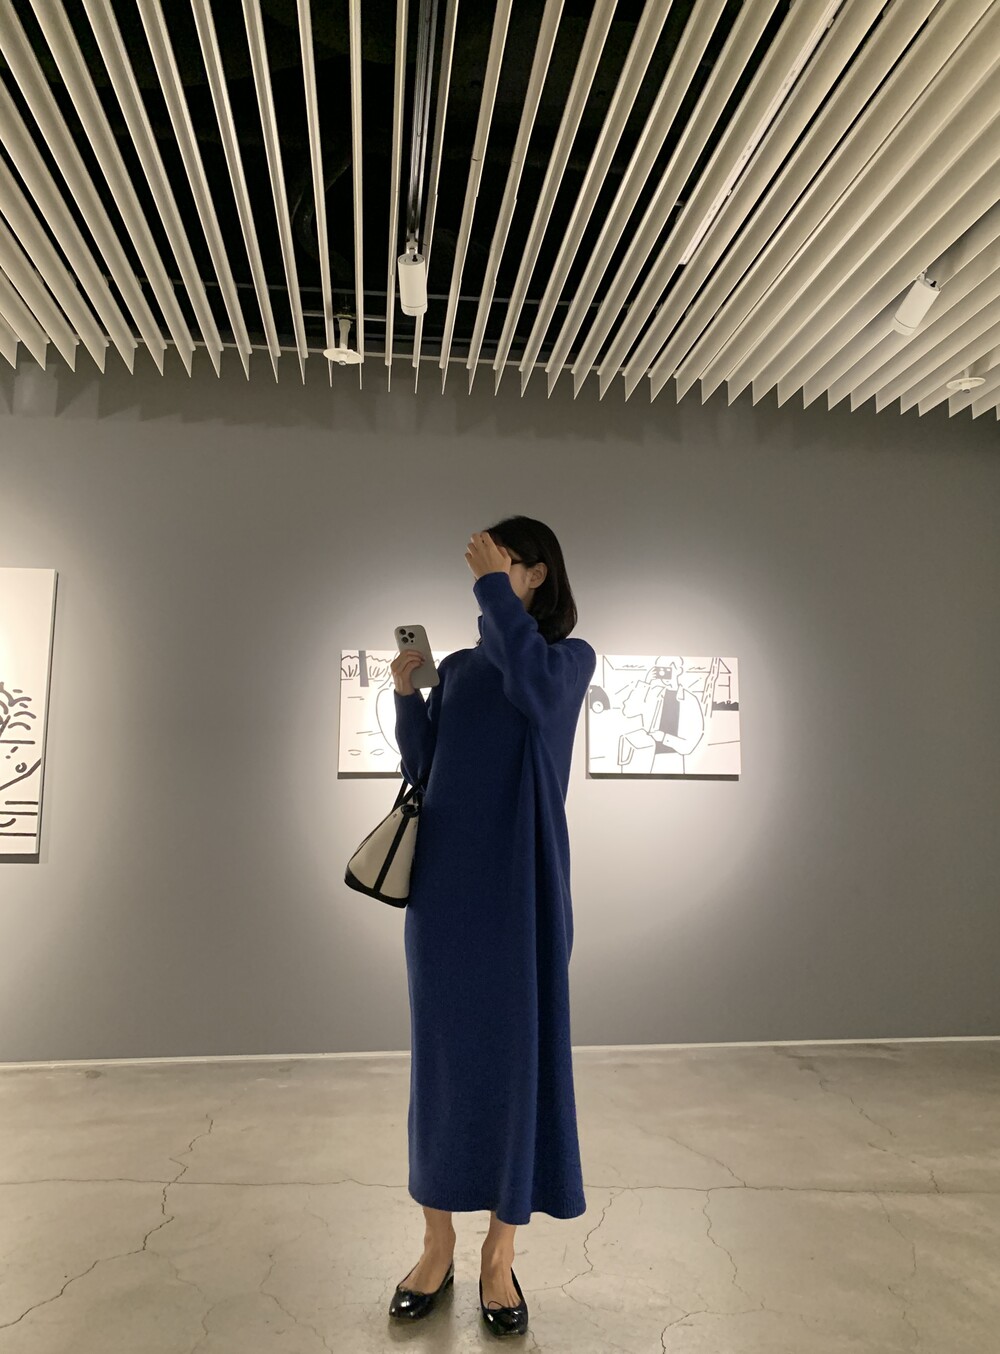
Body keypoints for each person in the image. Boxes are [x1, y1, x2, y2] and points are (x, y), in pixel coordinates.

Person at [387, 517, 596, 1338]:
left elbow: (534, 691)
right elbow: (424, 767)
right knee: (441, 1066)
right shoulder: (465, 668)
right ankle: (435, 1244)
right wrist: (408, 696)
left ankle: (498, 1255)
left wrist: (489, 590)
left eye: (502, 562)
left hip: (520, 890)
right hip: (444, 895)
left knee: (516, 1065)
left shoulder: (567, 662)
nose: (484, 573)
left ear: (536, 575)